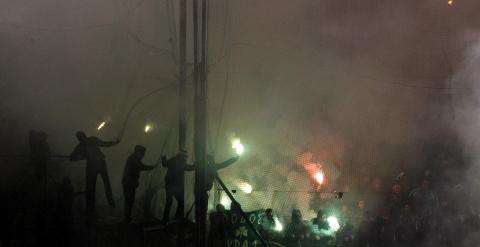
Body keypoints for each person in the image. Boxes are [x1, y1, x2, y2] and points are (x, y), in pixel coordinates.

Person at [69, 131, 119, 219]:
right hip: (99, 164)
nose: (81, 138)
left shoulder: (81, 146)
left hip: (93, 165)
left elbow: (72, 158)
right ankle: (110, 205)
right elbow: (104, 144)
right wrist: (114, 143)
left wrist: (79, 157)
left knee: (91, 187)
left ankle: (91, 208)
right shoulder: (90, 140)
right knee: (103, 185)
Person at [121, 145, 157, 223]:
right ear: (138, 152)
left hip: (129, 184)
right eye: (142, 153)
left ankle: (127, 217)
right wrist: (152, 167)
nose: (143, 155)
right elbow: (141, 167)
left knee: (129, 200)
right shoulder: (133, 159)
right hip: (128, 184)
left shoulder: (134, 158)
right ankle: (126, 218)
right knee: (129, 200)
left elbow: (140, 166)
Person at [161, 150, 194, 222]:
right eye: (185, 156)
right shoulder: (181, 163)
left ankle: (165, 219)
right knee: (180, 202)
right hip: (176, 185)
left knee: (169, 202)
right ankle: (177, 219)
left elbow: (164, 164)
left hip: (169, 184)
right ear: (182, 156)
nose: (185, 158)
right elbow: (189, 168)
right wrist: (196, 165)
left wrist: (163, 158)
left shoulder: (173, 160)